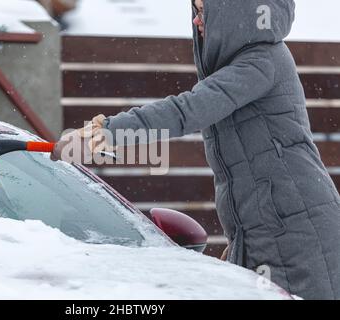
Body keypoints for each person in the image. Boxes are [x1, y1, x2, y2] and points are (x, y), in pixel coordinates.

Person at [51, 0, 340, 299]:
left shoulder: (261, 62)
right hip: (270, 234)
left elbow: (186, 111)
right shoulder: (243, 65)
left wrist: (106, 133)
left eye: (205, 12)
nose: (197, 22)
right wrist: (243, 239)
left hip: (301, 237)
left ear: (235, 11)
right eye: (197, 12)